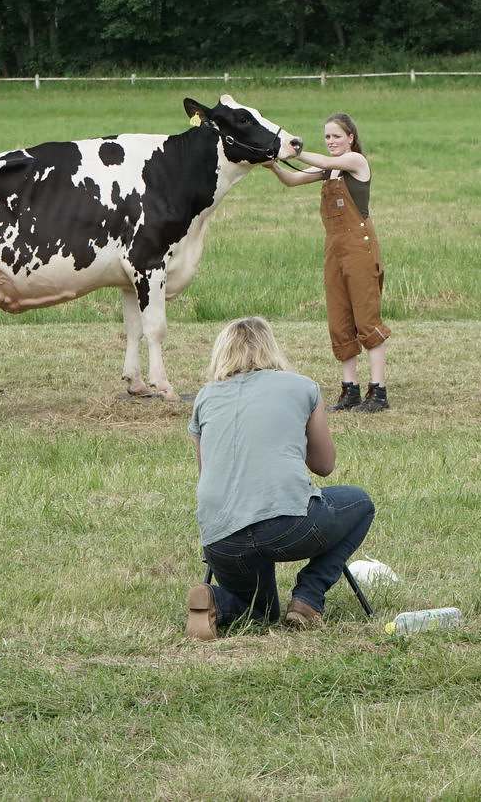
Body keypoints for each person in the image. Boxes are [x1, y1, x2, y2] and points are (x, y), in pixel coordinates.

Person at [184, 317, 375, 640]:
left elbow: (209, 474)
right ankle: (308, 597)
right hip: (289, 526)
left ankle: (216, 599)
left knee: (260, 612)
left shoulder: (205, 397)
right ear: (271, 348)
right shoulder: (301, 386)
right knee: (360, 504)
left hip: (222, 538)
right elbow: (324, 465)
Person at [268, 112, 393, 412]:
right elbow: (292, 180)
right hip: (334, 250)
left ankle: (378, 392)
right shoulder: (329, 170)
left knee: (366, 318)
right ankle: (349, 390)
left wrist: (294, 150)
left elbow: (324, 162)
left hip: (360, 249)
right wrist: (271, 162)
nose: (331, 141)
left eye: (336, 136)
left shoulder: (355, 162)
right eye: (327, 137)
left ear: (350, 138)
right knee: (339, 320)